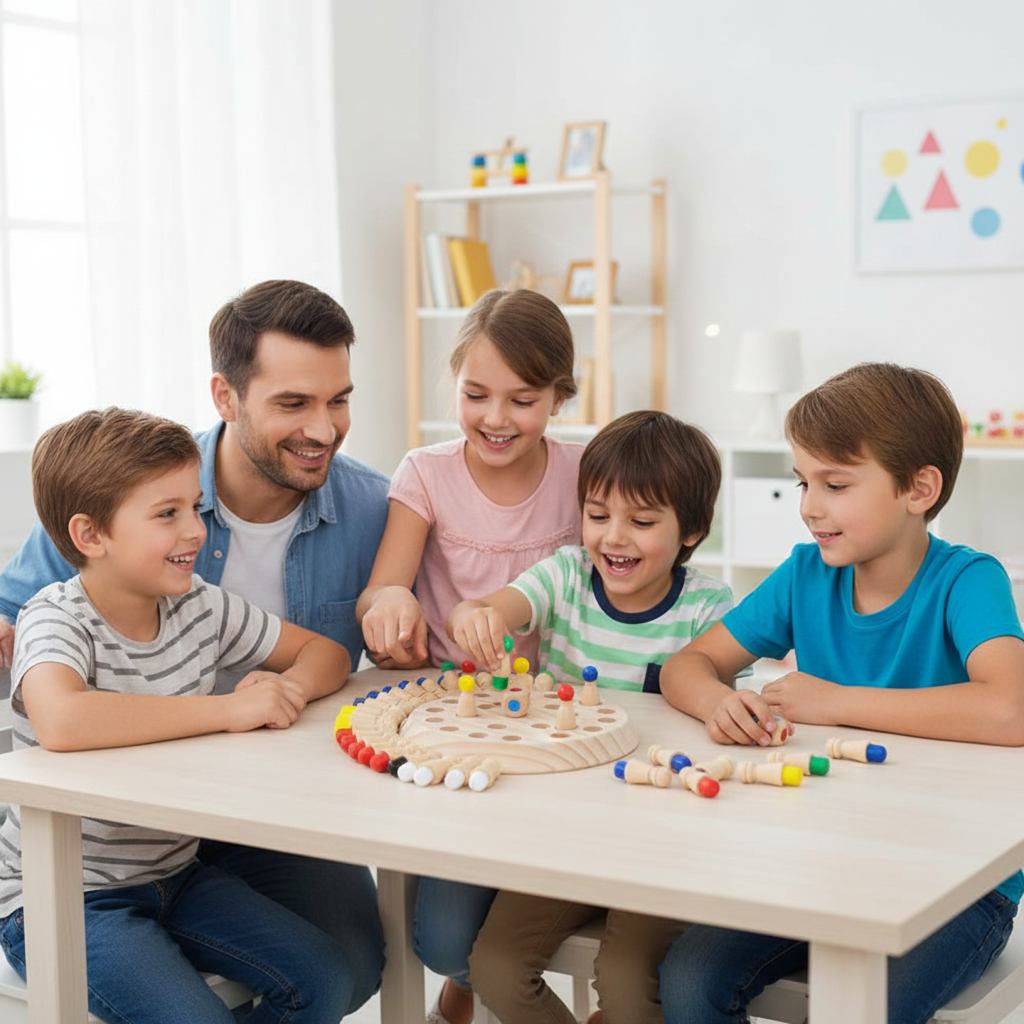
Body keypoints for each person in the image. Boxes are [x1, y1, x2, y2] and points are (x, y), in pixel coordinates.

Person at [0, 279, 388, 1012]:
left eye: (338, 399)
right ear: (226, 397)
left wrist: (283, 691)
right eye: (294, 402)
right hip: (81, 875)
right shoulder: (103, 531)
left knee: (343, 969)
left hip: (198, 846)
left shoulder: (208, 595)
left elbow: (326, 655)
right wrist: (229, 710)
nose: (326, 428)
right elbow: (59, 711)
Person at [657, 363, 1024, 1024]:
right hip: (825, 863)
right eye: (804, 482)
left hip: (960, 884)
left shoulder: (968, 580)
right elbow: (688, 665)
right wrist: (718, 703)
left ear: (919, 489)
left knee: (857, 1011)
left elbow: (1010, 710)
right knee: (689, 979)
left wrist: (834, 701)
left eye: (836, 484)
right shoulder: (805, 575)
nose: (809, 506)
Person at [449, 410, 734, 1024]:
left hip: (663, 843)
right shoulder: (567, 575)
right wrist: (478, 615)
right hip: (565, 835)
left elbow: (717, 705)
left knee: (626, 986)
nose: (613, 538)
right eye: (598, 515)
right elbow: (494, 606)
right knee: (495, 967)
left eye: (642, 521)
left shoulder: (708, 608)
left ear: (692, 529)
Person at [355, 288, 585, 1024]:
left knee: (518, 908)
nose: (496, 417)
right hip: (453, 729)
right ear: (453, 382)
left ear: (559, 397)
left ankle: (478, 990)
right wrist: (389, 605)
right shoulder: (426, 472)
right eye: (475, 394)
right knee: (442, 938)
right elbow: (384, 587)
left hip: (560, 732)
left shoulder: (584, 473)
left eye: (523, 399)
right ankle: (468, 983)